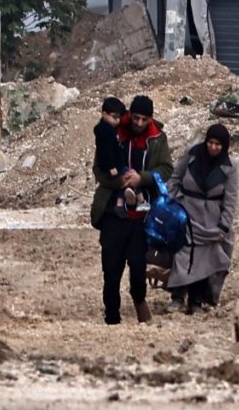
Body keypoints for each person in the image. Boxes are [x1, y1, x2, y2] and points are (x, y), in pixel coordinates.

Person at [90, 95, 173, 325]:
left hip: (142, 215)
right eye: (135, 118)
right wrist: (120, 182)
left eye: (144, 119)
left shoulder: (157, 138)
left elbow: (166, 169)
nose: (138, 123)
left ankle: (139, 300)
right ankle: (112, 315)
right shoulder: (112, 131)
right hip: (113, 212)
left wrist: (142, 178)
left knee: (138, 265)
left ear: (150, 119)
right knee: (111, 266)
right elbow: (99, 168)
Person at [166, 124, 239, 313]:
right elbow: (175, 178)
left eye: (218, 144)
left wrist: (224, 225)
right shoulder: (192, 155)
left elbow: (230, 199)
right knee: (182, 255)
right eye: (210, 142)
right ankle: (177, 297)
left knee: (204, 260)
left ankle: (196, 301)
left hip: (210, 221)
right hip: (186, 213)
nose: (213, 147)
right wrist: (172, 202)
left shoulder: (230, 167)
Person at [94, 97, 145, 211]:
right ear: (104, 114)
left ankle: (120, 204)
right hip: (114, 166)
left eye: (119, 118)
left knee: (125, 180)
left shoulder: (112, 129)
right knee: (131, 177)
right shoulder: (105, 132)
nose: (117, 120)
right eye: (114, 117)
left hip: (117, 164)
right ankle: (140, 201)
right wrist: (111, 166)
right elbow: (105, 152)